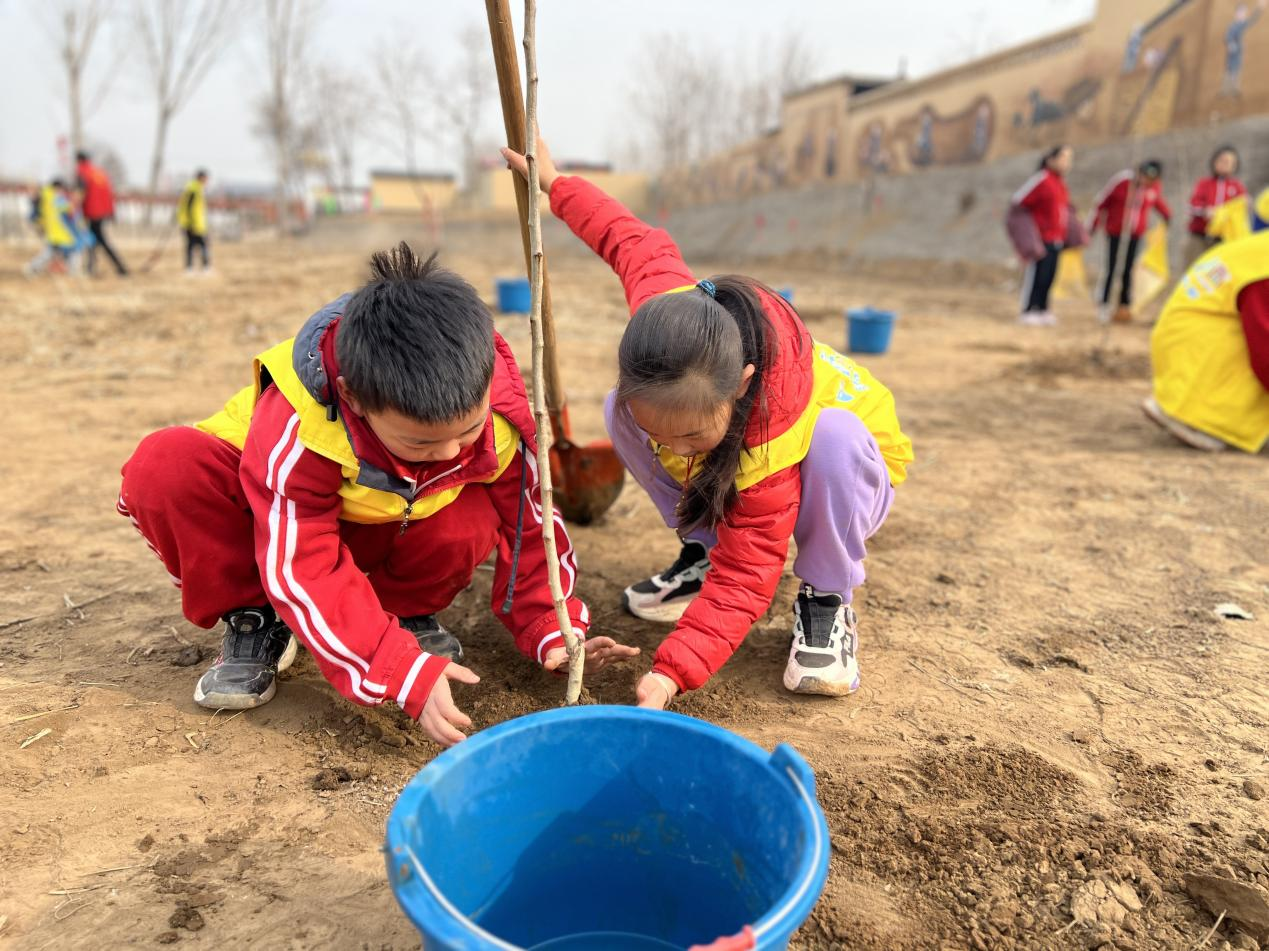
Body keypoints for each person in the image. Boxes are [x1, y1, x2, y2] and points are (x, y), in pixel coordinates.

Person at [117, 244, 638, 745]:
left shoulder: (502, 414)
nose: (450, 452)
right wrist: (395, 668)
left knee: (474, 512)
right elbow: (302, 560)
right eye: (420, 441)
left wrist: (554, 629)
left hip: (394, 527)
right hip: (277, 529)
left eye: (467, 430)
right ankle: (258, 618)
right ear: (354, 399)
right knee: (165, 468)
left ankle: (402, 615)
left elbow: (531, 532)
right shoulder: (300, 425)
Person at [502, 136, 913, 709]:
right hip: (741, 440)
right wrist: (555, 183)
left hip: (851, 472)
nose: (673, 452)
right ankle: (703, 549)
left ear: (740, 385)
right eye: (662, 438)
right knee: (615, 409)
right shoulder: (670, 313)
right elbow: (626, 236)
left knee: (833, 442)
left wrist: (671, 671)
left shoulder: (768, 439)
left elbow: (749, 575)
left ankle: (826, 597)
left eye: (690, 437)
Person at [1145, 230, 1269, 453]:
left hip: (1186, 364)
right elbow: (1265, 350)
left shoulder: (1258, 250)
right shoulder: (1262, 271)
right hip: (1198, 371)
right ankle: (1203, 418)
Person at [1089, 160, 1172, 323]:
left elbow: (1158, 203)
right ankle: (1104, 303)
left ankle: (1124, 305)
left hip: (1136, 235)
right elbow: (1101, 203)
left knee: (1128, 269)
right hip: (1116, 233)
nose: (1146, 180)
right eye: (1144, 176)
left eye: (1150, 178)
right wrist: (1093, 226)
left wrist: (1167, 217)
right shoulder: (1122, 182)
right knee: (1112, 268)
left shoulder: (1153, 188)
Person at [1013, 145, 1073, 326]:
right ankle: (1029, 309)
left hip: (1057, 238)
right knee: (1036, 274)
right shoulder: (1042, 180)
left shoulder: (1060, 183)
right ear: (1051, 159)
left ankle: (1042, 308)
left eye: (1069, 159)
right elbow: (1018, 202)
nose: (1066, 163)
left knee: (1049, 275)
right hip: (1041, 238)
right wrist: (1030, 232)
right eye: (1063, 158)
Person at [1186, 146, 1247, 267]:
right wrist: (1205, 211)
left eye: (1230, 162)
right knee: (1194, 268)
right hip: (1200, 235)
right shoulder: (1204, 183)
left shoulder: (1237, 187)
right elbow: (1192, 206)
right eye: (1223, 160)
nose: (1226, 164)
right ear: (1215, 162)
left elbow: (1241, 212)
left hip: (1223, 239)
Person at [75, 151, 128, 276]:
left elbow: (81, 192)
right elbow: (109, 193)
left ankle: (120, 268)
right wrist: (111, 211)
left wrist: (75, 209)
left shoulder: (83, 172)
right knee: (93, 239)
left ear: (78, 161)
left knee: (99, 240)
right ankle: (92, 267)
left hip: (92, 212)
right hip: (103, 212)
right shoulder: (99, 173)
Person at [24, 179, 80, 276]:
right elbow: (65, 207)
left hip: (53, 231)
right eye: (61, 189)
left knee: (51, 252)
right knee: (72, 249)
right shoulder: (53, 197)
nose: (62, 191)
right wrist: (73, 203)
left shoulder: (45, 195)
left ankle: (33, 267)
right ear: (57, 188)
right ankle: (73, 270)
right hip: (59, 231)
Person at [178, 169, 211, 273]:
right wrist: (192, 223)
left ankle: (190, 268)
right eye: (206, 178)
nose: (207, 181)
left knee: (191, 246)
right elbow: (190, 208)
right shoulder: (195, 189)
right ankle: (205, 268)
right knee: (202, 245)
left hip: (191, 223)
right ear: (201, 178)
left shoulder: (191, 188)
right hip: (194, 224)